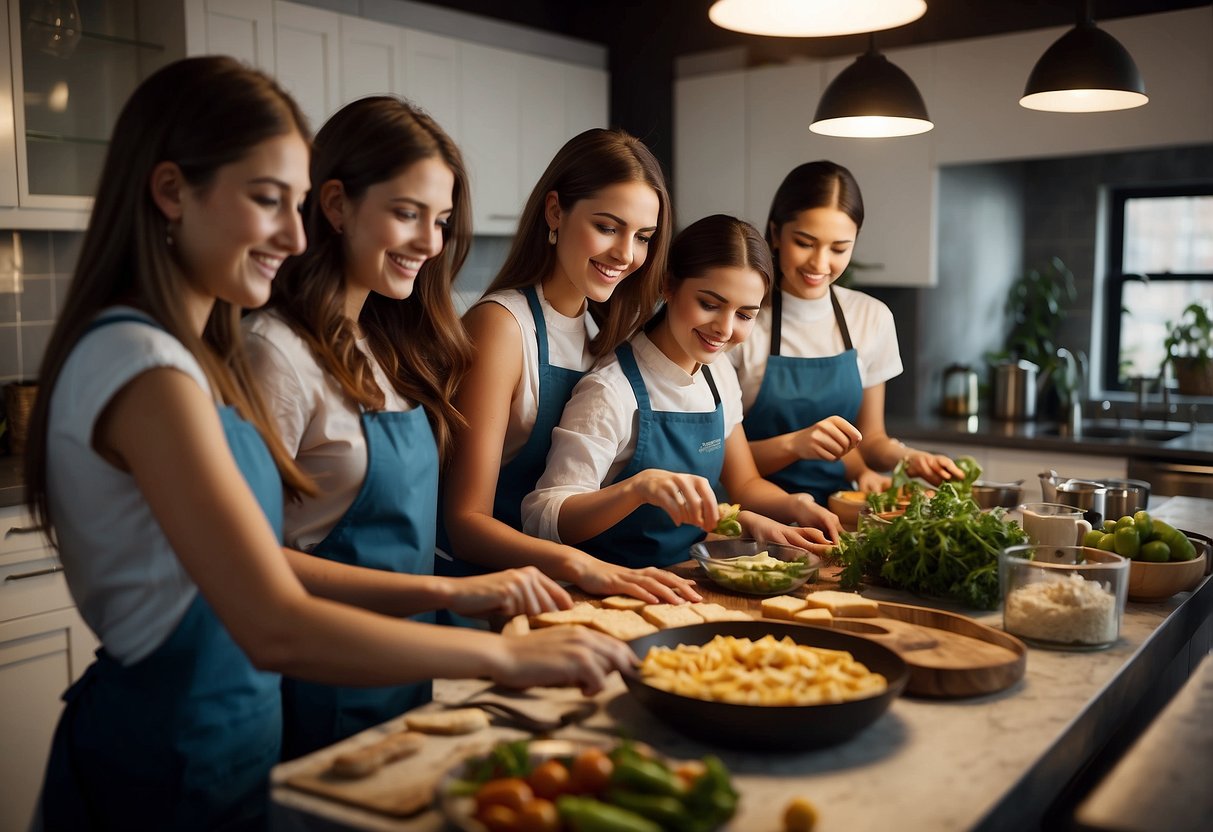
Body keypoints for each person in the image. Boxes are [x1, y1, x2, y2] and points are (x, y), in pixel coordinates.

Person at [23, 57, 634, 832]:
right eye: (267, 200)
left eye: (297, 202)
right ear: (172, 191)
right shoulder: (146, 368)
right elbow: (272, 615)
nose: (292, 230)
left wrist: (451, 596)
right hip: (166, 751)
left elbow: (257, 569)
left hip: (233, 731)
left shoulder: (179, 355)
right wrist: (499, 655)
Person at [243, 96, 578, 759]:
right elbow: (254, 569)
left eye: (442, 220)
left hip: (404, 675)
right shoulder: (274, 352)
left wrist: (474, 605)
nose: (431, 243)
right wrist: (453, 590)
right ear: (335, 206)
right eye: (407, 213)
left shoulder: (381, 346)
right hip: (319, 687)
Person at [440, 129, 700, 602]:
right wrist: (585, 567)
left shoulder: (606, 334)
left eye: (642, 237)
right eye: (607, 227)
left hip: (563, 585)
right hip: (483, 590)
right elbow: (466, 523)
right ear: (556, 210)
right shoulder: (503, 327)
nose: (626, 254)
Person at [522, 214, 833, 567]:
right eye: (710, 304)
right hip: (611, 591)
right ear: (669, 286)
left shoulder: (718, 375)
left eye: (745, 315)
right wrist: (637, 489)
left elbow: (744, 483)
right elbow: (543, 518)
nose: (724, 329)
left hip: (688, 577)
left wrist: (792, 508)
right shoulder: (611, 391)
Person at [731, 161, 964, 507]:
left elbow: (870, 439)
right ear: (777, 234)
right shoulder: (737, 322)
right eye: (805, 243)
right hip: (752, 517)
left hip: (843, 510)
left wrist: (910, 459)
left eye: (839, 248)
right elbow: (721, 459)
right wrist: (796, 444)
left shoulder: (871, 317)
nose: (820, 264)